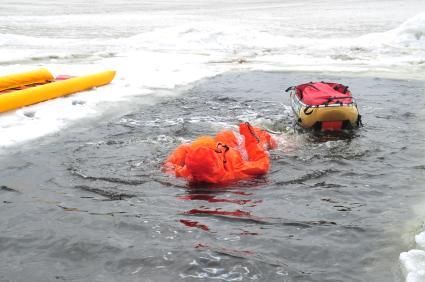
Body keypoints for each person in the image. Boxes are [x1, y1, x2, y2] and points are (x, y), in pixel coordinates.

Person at [162, 122, 277, 184]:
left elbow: (181, 152)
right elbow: (262, 164)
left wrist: (168, 163)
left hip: (226, 148)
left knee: (223, 135)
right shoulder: (237, 171)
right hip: (238, 151)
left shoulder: (189, 171)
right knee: (264, 139)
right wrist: (250, 138)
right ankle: (282, 141)